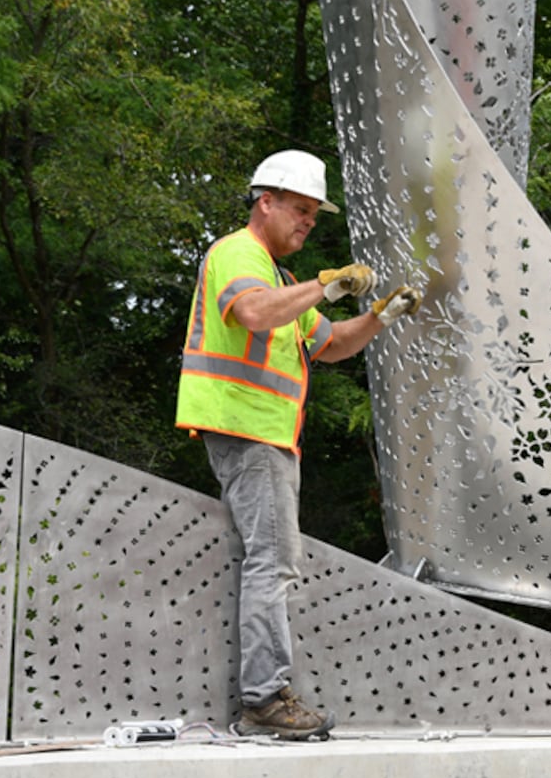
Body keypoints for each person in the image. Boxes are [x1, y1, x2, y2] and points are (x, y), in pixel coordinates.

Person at [175, 149, 419, 739]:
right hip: (247, 431)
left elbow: (330, 344)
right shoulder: (239, 254)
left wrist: (383, 316)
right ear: (266, 203)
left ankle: (265, 696)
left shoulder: (283, 279)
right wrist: (325, 285)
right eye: (301, 210)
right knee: (274, 561)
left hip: (267, 436)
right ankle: (264, 700)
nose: (308, 223)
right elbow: (254, 313)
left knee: (274, 559)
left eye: (314, 215)